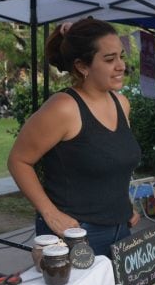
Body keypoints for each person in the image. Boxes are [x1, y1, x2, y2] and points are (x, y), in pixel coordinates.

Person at [8, 18, 142, 256]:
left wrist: (123, 206)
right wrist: (50, 213)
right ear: (82, 66)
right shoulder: (64, 108)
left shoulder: (122, 103)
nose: (121, 65)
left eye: (121, 56)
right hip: (75, 233)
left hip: (121, 229)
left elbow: (114, 161)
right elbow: (19, 161)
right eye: (110, 59)